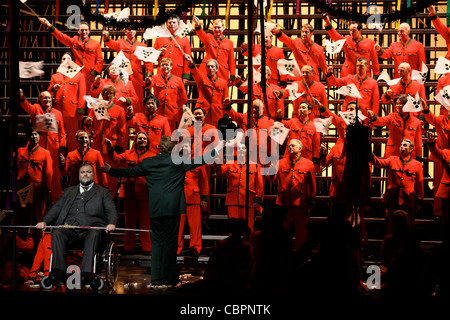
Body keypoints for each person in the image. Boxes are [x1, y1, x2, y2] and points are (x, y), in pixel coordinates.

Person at [100, 136, 222, 287]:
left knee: (157, 244)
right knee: (170, 244)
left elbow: (129, 172)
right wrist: (218, 149)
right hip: (173, 209)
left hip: (156, 208)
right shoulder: (178, 162)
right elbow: (200, 160)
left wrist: (110, 170)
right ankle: (169, 279)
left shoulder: (148, 162)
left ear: (158, 148)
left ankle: (156, 279)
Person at [36, 163, 117, 285]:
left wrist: (111, 223)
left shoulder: (103, 192)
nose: (85, 174)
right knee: (57, 232)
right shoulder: (69, 191)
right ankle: (59, 271)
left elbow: (111, 211)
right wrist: (44, 221)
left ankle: (86, 273)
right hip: (70, 230)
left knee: (94, 233)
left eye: (88, 172)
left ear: (93, 175)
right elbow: (56, 208)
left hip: (90, 230)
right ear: (79, 175)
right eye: (82, 172)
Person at [105, 132, 153, 255]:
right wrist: (111, 148)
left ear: (147, 142)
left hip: (144, 192)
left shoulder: (153, 155)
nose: (141, 140)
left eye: (144, 138)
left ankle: (147, 248)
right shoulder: (128, 153)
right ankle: (128, 247)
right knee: (129, 222)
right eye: (139, 138)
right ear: (135, 141)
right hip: (129, 192)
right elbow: (115, 158)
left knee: (145, 222)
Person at [268, 139, 316, 251]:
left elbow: (312, 184)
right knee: (283, 230)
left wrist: (312, 199)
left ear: (300, 148)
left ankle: (300, 253)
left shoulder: (309, 164)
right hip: (283, 202)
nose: (290, 147)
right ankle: (283, 252)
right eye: (289, 146)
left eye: (293, 146)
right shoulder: (281, 163)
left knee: (300, 231)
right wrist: (270, 170)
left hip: (300, 202)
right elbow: (272, 179)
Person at [19, 89, 66, 202]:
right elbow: (27, 106)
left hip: (53, 151)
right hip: (38, 150)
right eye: (44, 97)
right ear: (40, 100)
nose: (47, 99)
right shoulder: (36, 108)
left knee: (55, 180)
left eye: (49, 97)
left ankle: (58, 207)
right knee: (37, 178)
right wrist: (22, 97)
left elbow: (62, 133)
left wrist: (62, 152)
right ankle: (35, 206)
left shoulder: (58, 113)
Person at [370, 139, 424, 229]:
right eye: (401, 145)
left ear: (411, 149)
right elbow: (378, 162)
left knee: (408, 226)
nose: (402, 147)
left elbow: (419, 184)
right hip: (393, 199)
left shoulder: (417, 165)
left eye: (405, 145)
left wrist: (419, 199)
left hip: (408, 200)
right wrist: (369, 153)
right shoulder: (392, 160)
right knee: (392, 225)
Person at [84, 85, 127, 197]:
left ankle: (110, 201)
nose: (108, 95)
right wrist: (88, 122)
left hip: (111, 147)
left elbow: (122, 130)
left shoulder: (119, 110)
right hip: (97, 146)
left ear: (114, 96)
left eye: (110, 93)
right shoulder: (96, 108)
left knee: (110, 176)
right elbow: (89, 128)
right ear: (102, 95)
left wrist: (119, 147)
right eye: (106, 93)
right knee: (97, 174)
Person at [39, 18, 103, 89]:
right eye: (82, 30)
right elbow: (61, 36)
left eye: (86, 30)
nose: (84, 32)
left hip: (90, 76)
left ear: (89, 31)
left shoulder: (96, 44)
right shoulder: (74, 41)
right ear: (78, 31)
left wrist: (93, 74)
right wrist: (48, 24)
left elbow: (99, 61)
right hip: (76, 75)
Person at [215, 144, 264, 233]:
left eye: (244, 148)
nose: (241, 150)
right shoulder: (230, 164)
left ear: (247, 151)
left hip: (249, 201)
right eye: (239, 148)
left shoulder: (256, 165)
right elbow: (220, 171)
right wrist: (217, 159)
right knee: (232, 228)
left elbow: (259, 185)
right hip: (233, 200)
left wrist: (257, 199)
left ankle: (248, 246)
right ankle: (233, 246)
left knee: (249, 228)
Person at [103, 28, 154, 113]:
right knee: (122, 99)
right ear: (125, 32)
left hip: (137, 77)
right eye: (129, 30)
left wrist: (149, 74)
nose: (131, 31)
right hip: (122, 77)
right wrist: (106, 37)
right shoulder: (120, 43)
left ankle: (137, 121)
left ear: (136, 31)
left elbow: (148, 62)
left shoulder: (142, 46)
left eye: (133, 30)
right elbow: (111, 43)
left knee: (137, 101)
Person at [48, 52, 86, 152]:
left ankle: (72, 158)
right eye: (63, 59)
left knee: (73, 136)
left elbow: (82, 94)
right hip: (57, 109)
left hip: (72, 111)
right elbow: (48, 94)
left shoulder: (79, 76)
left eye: (68, 59)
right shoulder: (55, 76)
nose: (65, 61)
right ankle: (57, 156)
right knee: (56, 136)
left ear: (72, 62)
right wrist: (53, 89)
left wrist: (80, 109)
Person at [177, 141, 209, 256]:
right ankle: (177, 248)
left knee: (195, 226)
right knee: (178, 226)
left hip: (194, 197)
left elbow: (204, 181)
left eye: (187, 146)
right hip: (179, 198)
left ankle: (196, 247)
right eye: (183, 146)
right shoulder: (176, 162)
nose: (185, 148)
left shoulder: (197, 162)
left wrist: (204, 198)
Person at [368, 94, 422, 160]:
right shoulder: (392, 116)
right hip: (393, 153)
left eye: (400, 104)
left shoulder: (416, 121)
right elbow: (381, 121)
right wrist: (374, 117)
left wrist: (419, 157)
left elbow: (418, 142)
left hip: (409, 155)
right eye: (397, 104)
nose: (398, 106)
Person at [16, 128, 53, 223]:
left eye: (36, 134)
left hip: (37, 188)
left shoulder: (45, 153)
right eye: (32, 135)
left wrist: (47, 188)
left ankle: (38, 236)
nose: (34, 137)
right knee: (22, 213)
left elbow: (48, 173)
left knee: (37, 214)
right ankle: (22, 237)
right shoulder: (20, 151)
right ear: (27, 137)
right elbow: (16, 169)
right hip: (23, 186)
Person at [184, 54, 230, 126]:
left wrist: (227, 102)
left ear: (217, 69)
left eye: (212, 66)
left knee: (214, 133)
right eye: (208, 67)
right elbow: (195, 72)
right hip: (202, 111)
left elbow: (225, 98)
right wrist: (191, 62)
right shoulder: (201, 78)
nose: (210, 68)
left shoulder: (223, 82)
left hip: (216, 113)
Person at [144, 58, 188, 131]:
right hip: (159, 112)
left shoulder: (178, 80)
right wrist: (148, 81)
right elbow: (148, 85)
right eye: (163, 65)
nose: (165, 67)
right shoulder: (155, 78)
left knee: (171, 134)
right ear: (160, 67)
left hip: (172, 114)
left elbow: (184, 98)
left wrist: (177, 109)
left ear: (171, 67)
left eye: (167, 65)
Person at [192, 16, 236, 85]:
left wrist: (232, 76)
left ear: (223, 28)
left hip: (222, 73)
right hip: (207, 72)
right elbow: (201, 34)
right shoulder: (208, 37)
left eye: (219, 27)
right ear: (212, 28)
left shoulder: (229, 43)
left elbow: (231, 61)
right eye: (215, 27)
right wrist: (198, 24)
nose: (217, 29)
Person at [153, 15, 192, 84]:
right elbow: (152, 56)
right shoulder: (160, 38)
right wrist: (159, 52)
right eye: (170, 22)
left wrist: (186, 75)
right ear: (166, 24)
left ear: (178, 24)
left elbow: (187, 59)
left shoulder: (184, 39)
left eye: (174, 22)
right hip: (162, 72)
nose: (172, 24)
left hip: (178, 72)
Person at [427, 131, 450, 225]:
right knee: (447, 220)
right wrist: (432, 141)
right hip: (448, 191)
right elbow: (436, 152)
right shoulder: (447, 153)